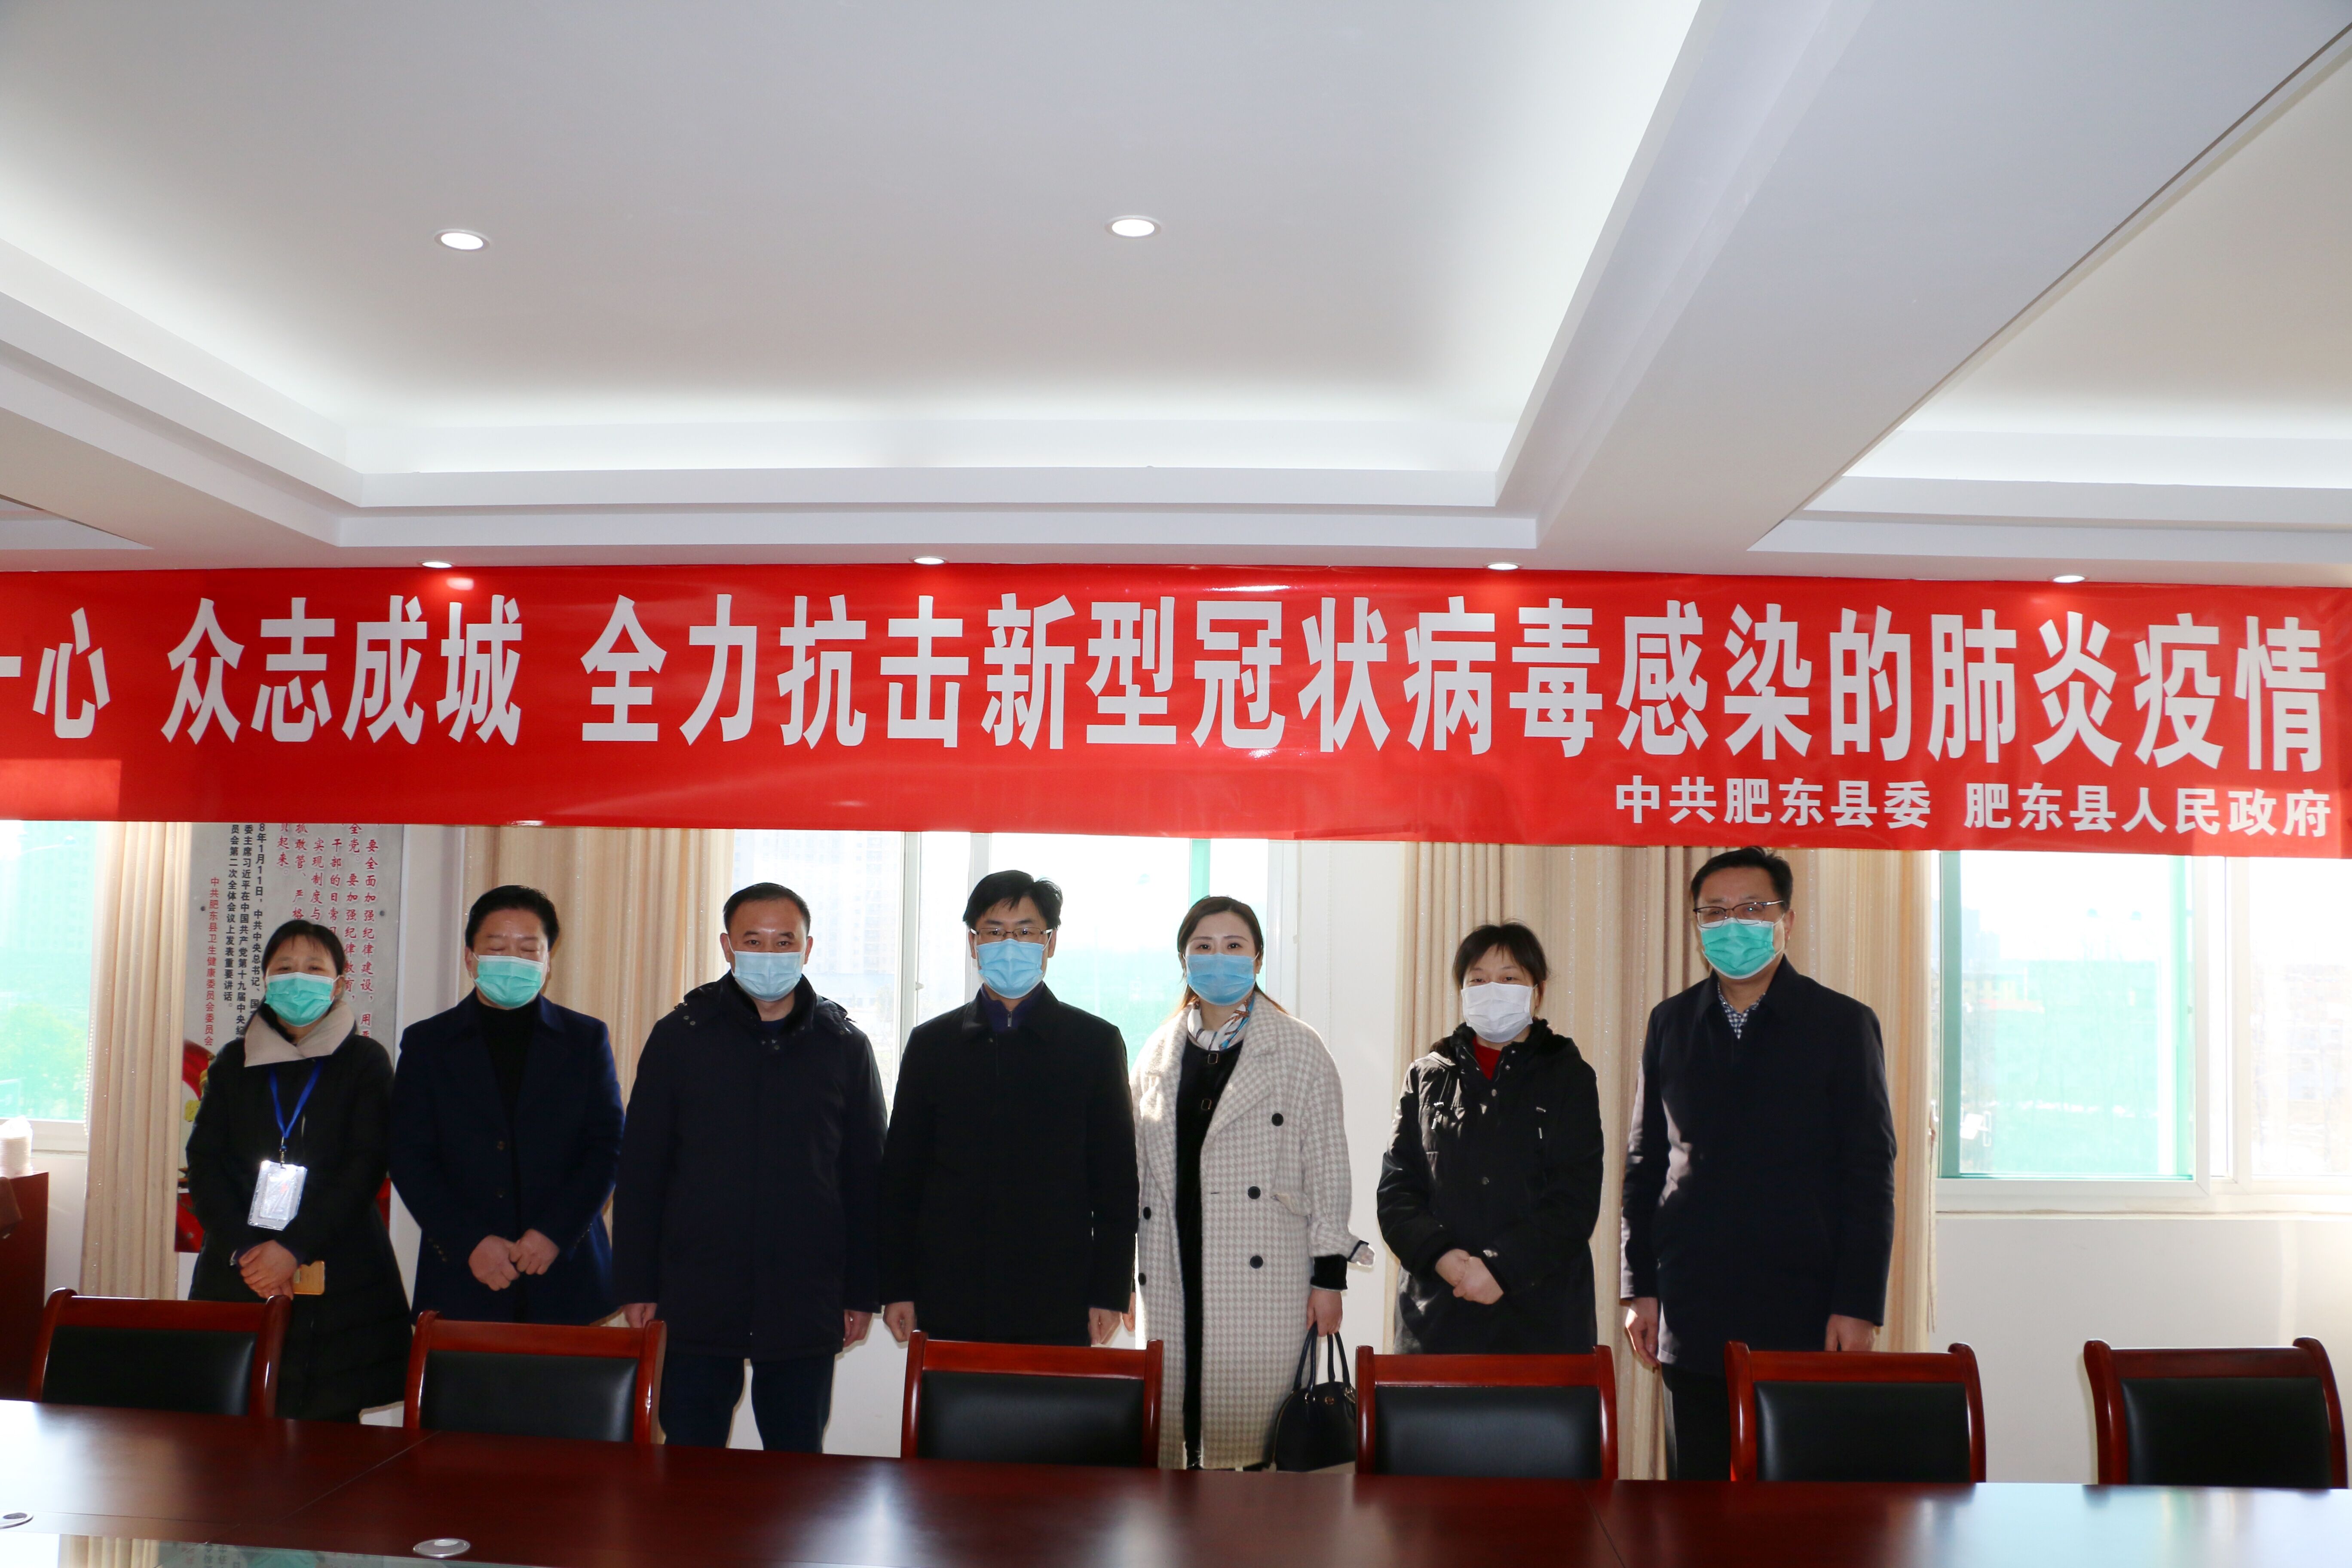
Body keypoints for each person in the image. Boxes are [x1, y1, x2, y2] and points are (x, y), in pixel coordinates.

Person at [1620, 846, 1898, 1481]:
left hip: (1805, 1308)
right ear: (1697, 926)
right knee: (1697, 1504)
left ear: (1787, 921)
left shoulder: (1842, 1024)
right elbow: (1645, 1164)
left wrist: (1858, 1305)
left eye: (1752, 908)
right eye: (1715, 912)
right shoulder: (1671, 1023)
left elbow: (1869, 1174)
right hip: (1691, 1307)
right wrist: (1640, 1289)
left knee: (1799, 1504)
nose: (1733, 924)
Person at [612, 882, 886, 1452]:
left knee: (796, 1467)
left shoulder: (844, 1045)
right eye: (753, 941)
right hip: (695, 1292)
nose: (769, 954)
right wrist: (637, 1283)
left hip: (805, 1295)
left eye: (785, 941)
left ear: (808, 948)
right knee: (691, 1464)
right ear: (727, 946)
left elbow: (866, 1180)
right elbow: (641, 1171)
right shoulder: (679, 1038)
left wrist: (862, 1291)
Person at [1133, 896, 1364, 1470]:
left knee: (1253, 1449)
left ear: (1258, 959)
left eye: (1234, 946)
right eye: (1203, 947)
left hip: (1264, 1274)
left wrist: (1329, 1280)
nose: (1219, 958)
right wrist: (1121, 1276)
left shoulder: (1298, 1047)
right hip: (1172, 1265)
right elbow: (1134, 1171)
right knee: (1174, 1431)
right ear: (1184, 960)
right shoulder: (1157, 1052)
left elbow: (1329, 1167)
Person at [880, 870, 1137, 1349]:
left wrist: (1110, 1289)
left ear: (1050, 943)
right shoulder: (933, 1044)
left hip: (1058, 1296)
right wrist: (898, 1285)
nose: (1010, 944)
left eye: (1025, 931)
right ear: (973, 944)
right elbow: (901, 1178)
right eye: (994, 932)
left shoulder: (1094, 1044)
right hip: (949, 1293)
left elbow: (1116, 1183)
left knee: (1052, 1403)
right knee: (952, 1402)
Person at [186, 919, 409, 1420]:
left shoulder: (365, 1061)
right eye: (284, 968)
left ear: (339, 983)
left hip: (340, 1267)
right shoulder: (233, 1062)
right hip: (240, 1270)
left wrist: (292, 1249)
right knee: (231, 1425)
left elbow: (366, 1166)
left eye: (314, 968)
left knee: (329, 1435)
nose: (298, 978)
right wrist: (248, 1252)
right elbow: (205, 1163)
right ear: (266, 980)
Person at [390, 885, 624, 1326]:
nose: (513, 961)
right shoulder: (428, 1043)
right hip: (462, 1276)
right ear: (470, 958)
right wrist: (470, 1242)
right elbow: (409, 1156)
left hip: (565, 1277)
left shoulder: (585, 1039)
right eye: (497, 949)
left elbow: (608, 1147)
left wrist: (555, 1234)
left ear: (548, 961)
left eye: (528, 949)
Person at [1379, 922, 1604, 1356]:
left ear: (1536, 992)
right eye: (1478, 980)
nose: (1492, 990)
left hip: (1542, 1319)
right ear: (1463, 992)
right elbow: (1396, 1193)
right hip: (1437, 1317)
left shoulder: (1569, 1076)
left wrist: (1501, 1269)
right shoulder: (1426, 1076)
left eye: (1509, 978)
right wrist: (1443, 1258)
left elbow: (1574, 1200)